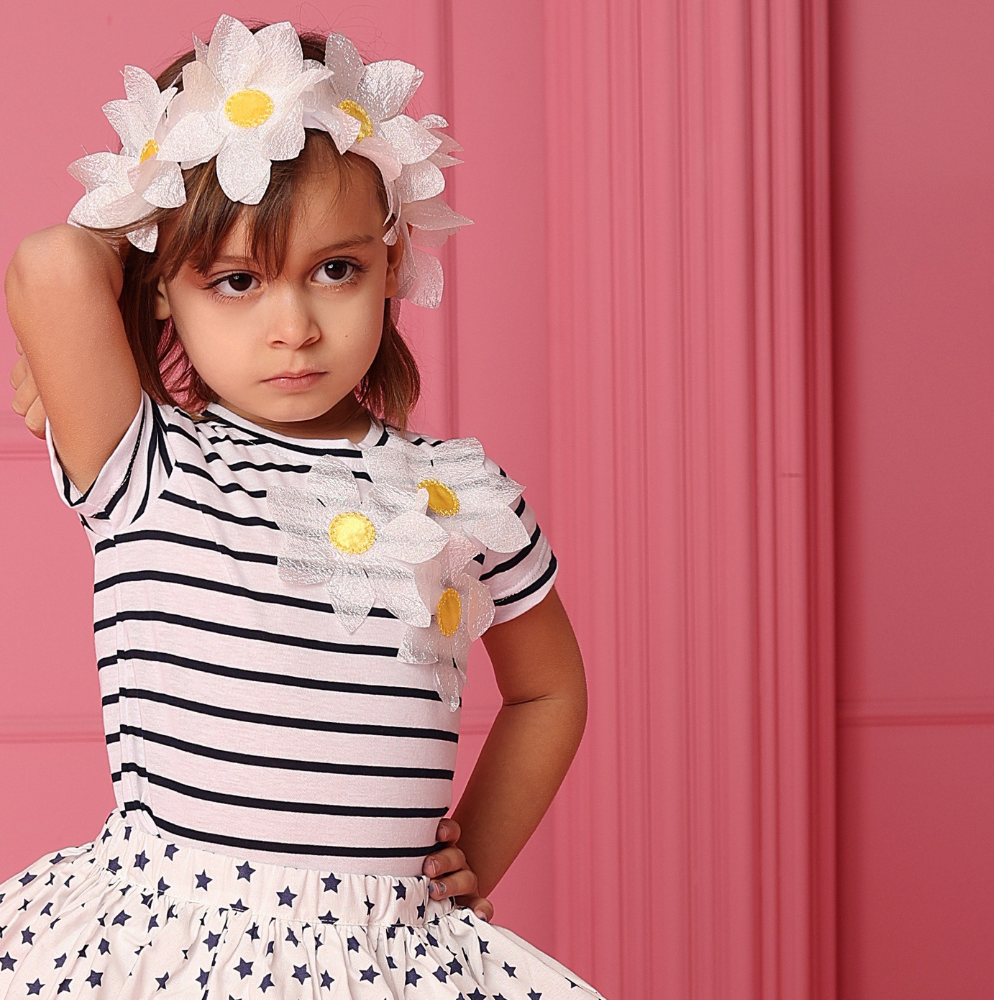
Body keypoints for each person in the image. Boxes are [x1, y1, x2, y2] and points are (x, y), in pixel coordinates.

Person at [2, 14, 604, 1000]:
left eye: (335, 268)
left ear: (391, 258)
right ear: (167, 287)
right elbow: (48, 267)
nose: (294, 326)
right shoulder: (148, 460)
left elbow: (549, 690)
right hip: (176, 950)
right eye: (236, 279)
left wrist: (471, 862)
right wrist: (158, 216)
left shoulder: (460, 490)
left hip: (385, 956)